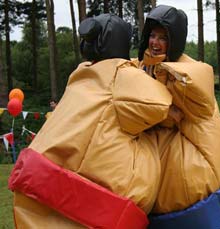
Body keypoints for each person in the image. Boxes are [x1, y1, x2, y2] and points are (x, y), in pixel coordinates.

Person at [8, 14, 173, 228]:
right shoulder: (122, 75)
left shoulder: (81, 72)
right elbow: (160, 107)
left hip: (35, 186)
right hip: (79, 203)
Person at [138, 5, 220, 228]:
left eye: (163, 38)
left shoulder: (188, 71)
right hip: (157, 157)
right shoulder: (141, 67)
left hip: (194, 151)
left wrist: (164, 112)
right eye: (152, 35)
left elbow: (189, 106)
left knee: (202, 189)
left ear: (175, 40)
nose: (155, 42)